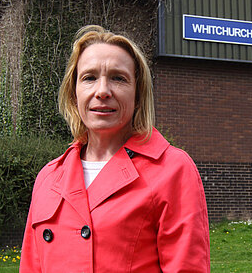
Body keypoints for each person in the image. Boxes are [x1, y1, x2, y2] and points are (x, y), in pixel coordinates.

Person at [20, 25, 210, 272]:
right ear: (73, 93)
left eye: (118, 78)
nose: (102, 91)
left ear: (138, 95)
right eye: (89, 78)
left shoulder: (173, 170)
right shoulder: (48, 177)